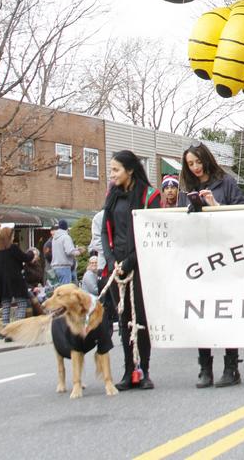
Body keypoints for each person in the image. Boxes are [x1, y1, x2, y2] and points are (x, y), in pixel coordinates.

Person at [179, 142, 244, 388]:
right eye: (190, 164)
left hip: (226, 254)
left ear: (206, 159)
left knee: (227, 310)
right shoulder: (188, 187)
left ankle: (231, 366)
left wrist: (216, 206)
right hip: (199, 255)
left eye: (198, 162)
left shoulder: (225, 182)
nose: (195, 168)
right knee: (201, 312)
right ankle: (204, 367)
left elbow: (243, 211)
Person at [101, 149, 161, 390]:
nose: (112, 174)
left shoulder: (149, 196)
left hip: (140, 267)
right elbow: (105, 230)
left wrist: (129, 262)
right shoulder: (112, 195)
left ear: (130, 170)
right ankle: (128, 370)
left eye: (116, 169)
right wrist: (110, 258)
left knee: (140, 320)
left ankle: (143, 370)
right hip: (117, 268)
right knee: (124, 320)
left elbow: (153, 236)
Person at [0, 225, 36, 331]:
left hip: (2, 282)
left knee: (6, 305)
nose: (13, 238)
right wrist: (32, 252)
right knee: (22, 303)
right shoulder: (13, 248)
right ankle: (16, 328)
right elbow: (25, 258)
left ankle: (6, 328)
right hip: (15, 280)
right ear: (8, 237)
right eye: (12, 236)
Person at [51, 220, 80, 285]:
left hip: (55, 267)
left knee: (59, 290)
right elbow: (69, 251)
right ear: (66, 228)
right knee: (66, 291)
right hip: (64, 267)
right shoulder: (66, 237)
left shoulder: (54, 238)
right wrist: (78, 252)